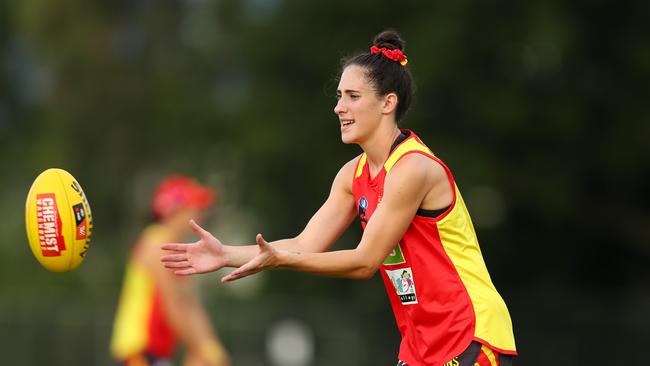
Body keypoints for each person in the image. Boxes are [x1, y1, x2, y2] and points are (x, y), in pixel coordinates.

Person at [161, 30, 517, 366]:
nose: (338, 107)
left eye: (353, 96)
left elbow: (365, 261)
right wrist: (225, 254)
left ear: (387, 103)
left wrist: (282, 260)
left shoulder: (412, 169)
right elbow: (305, 243)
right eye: (339, 96)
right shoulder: (352, 176)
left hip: (468, 333)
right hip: (419, 345)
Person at [111, 176, 230, 366]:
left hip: (155, 353)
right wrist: (200, 350)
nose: (201, 213)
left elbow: (191, 307)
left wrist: (211, 349)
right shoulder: (157, 243)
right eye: (194, 206)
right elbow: (174, 306)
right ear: (176, 210)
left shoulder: (179, 248)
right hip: (139, 352)